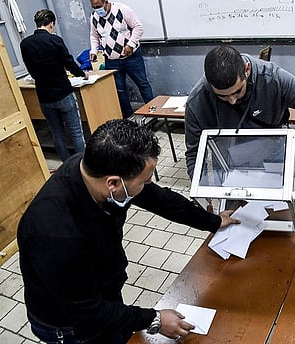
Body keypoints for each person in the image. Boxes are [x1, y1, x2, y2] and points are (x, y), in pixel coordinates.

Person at [17, 119, 240, 343]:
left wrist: (212, 221)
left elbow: (161, 200)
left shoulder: (95, 170)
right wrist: (155, 319)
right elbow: (89, 311)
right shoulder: (55, 233)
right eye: (144, 181)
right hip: (71, 324)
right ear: (113, 184)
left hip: (102, 290)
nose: (147, 186)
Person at [185, 45, 295, 195]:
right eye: (222, 96)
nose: (232, 100)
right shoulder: (198, 100)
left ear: (246, 70)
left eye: (237, 92)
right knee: (234, 214)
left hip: (273, 152)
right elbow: (193, 154)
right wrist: (202, 194)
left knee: (277, 208)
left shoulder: (273, 78)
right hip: (229, 163)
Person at [20, 9, 87, 162]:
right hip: (63, 92)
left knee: (57, 133)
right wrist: (82, 74)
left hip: (44, 96)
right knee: (76, 132)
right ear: (51, 24)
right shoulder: (55, 40)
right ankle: (83, 165)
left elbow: (30, 67)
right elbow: (69, 63)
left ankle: (66, 164)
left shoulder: (25, 44)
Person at [89, 0, 154, 119]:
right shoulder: (94, 17)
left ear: (106, 2)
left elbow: (138, 27)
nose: (97, 10)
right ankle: (129, 116)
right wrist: (93, 51)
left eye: (99, 6)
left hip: (131, 58)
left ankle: (153, 113)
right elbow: (94, 36)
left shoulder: (122, 10)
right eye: (94, 7)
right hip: (111, 60)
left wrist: (130, 44)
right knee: (119, 90)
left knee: (142, 84)